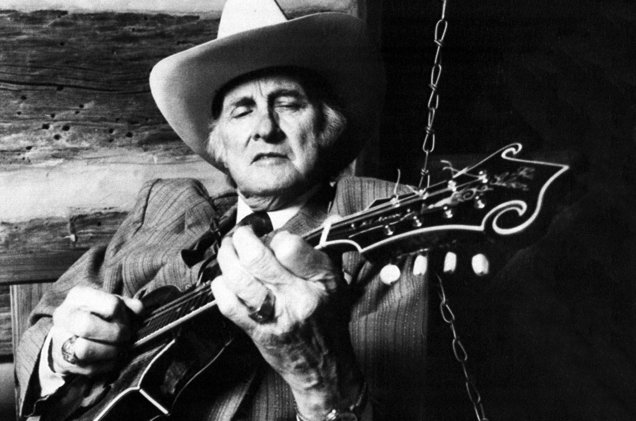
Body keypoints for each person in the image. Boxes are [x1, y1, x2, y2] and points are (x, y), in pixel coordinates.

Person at [15, 0, 429, 420]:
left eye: (287, 104)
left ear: (326, 127)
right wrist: (61, 353)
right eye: (242, 110)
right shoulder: (165, 211)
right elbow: (41, 326)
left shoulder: (380, 224)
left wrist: (320, 383)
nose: (264, 128)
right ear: (219, 144)